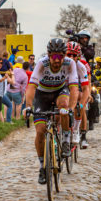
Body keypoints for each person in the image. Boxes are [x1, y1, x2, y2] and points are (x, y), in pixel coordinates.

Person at [24, 38, 78, 185]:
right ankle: (42, 166)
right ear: (48, 55)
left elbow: (74, 88)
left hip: (60, 91)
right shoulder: (42, 64)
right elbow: (31, 87)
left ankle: (66, 139)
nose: (57, 60)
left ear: (64, 55)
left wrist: (72, 109)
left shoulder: (70, 63)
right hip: (42, 95)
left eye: (60, 56)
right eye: (54, 56)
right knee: (40, 131)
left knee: (64, 107)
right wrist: (28, 106)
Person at [65, 41, 90, 145]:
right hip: (61, 86)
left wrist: (82, 103)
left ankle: (76, 130)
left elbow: (86, 88)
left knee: (80, 103)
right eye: (69, 54)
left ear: (78, 56)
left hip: (76, 86)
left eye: (74, 55)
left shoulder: (81, 66)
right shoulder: (59, 63)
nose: (71, 57)